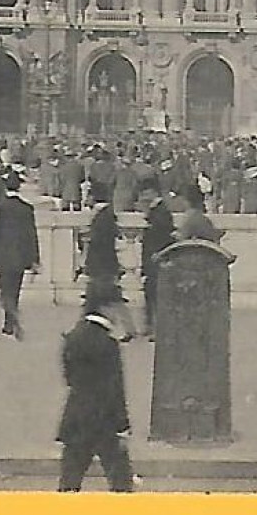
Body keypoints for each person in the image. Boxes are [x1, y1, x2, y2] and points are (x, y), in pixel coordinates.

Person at [56, 282, 135, 492]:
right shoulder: (108, 344)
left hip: (77, 415)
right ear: (106, 308)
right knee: (121, 482)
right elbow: (114, 388)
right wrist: (122, 425)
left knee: (70, 480)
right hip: (105, 420)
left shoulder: (73, 336)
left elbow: (70, 377)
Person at [0, 172, 39, 340]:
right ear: (19, 187)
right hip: (20, 256)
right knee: (15, 290)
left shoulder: (0, 208)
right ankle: (11, 318)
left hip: (2, 255)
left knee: (5, 289)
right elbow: (31, 235)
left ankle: (9, 321)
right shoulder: (27, 208)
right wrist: (34, 258)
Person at [141, 197, 177, 339]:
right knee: (159, 299)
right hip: (163, 264)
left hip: (154, 265)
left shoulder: (152, 227)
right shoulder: (166, 223)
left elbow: (147, 250)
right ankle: (154, 327)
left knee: (152, 299)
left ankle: (152, 327)